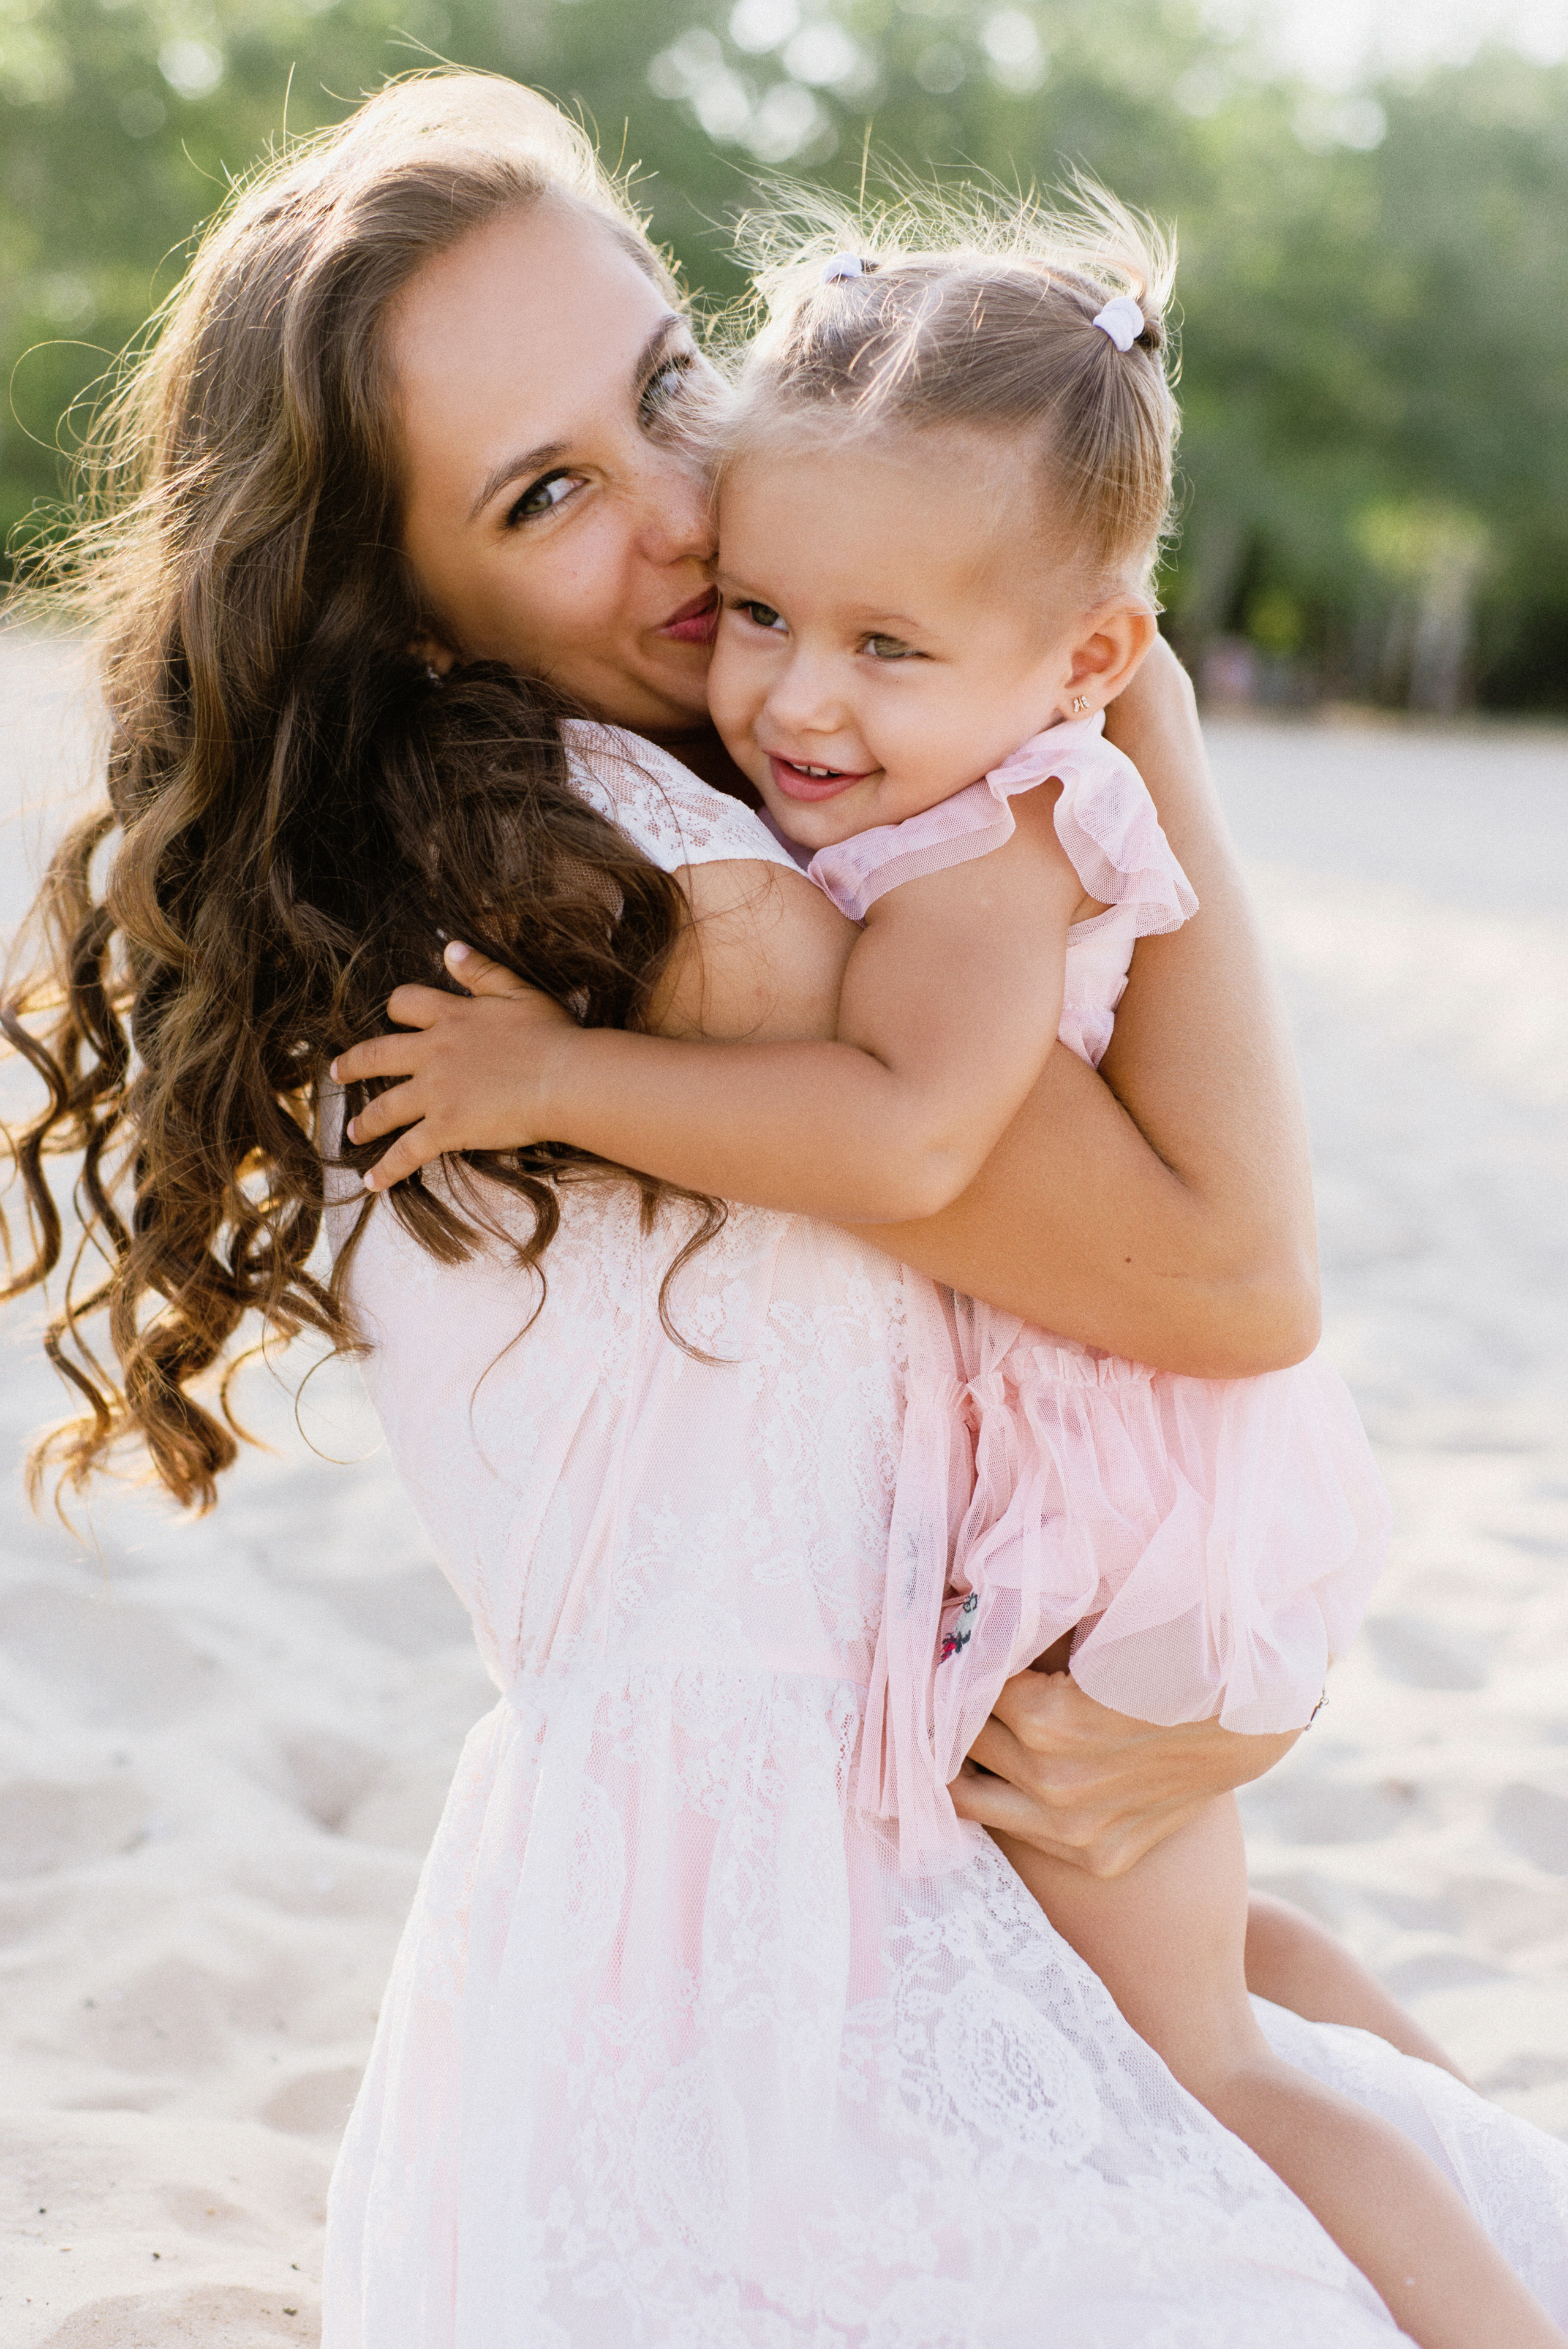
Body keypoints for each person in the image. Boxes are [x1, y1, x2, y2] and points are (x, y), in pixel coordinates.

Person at [7, 68, 1565, 2346]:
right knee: (1294, 2093)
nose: (679, 517)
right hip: (770, 2016)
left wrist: (1222, 1698)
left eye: (666, 388)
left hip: (674, 1916)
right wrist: (1135, 722)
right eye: (549, 493)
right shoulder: (676, 888)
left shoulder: (577, 815)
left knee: (1294, 2024)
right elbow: (1229, 1278)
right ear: (414, 615)